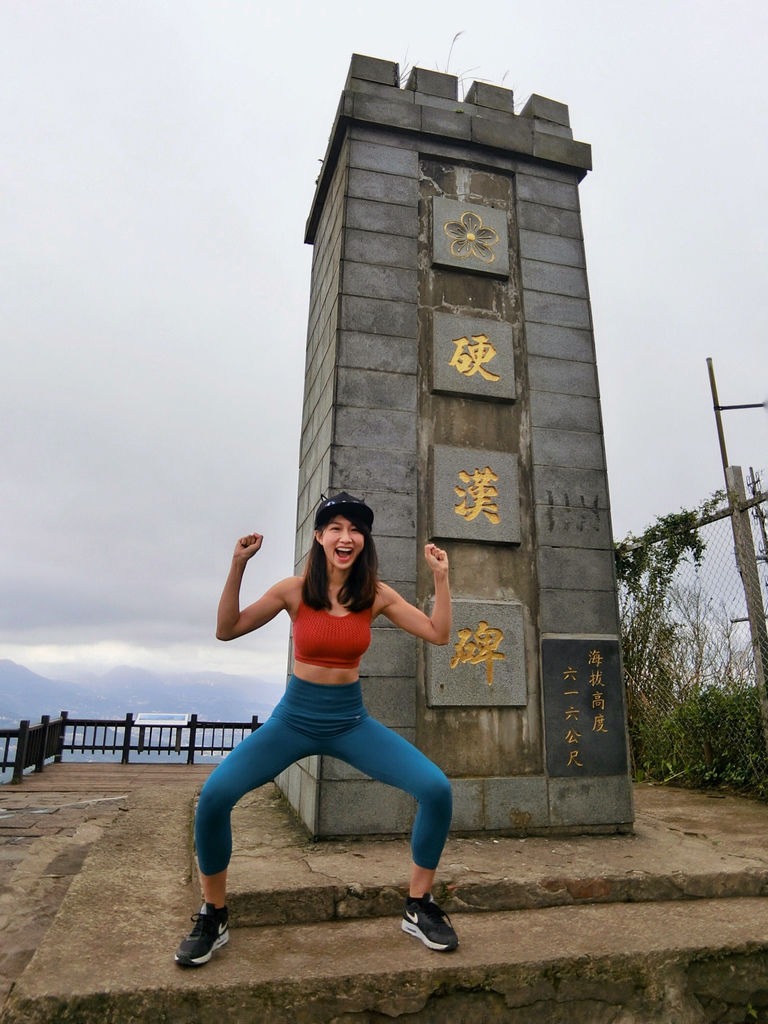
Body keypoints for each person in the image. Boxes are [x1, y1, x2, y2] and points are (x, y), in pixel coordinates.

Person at [174, 491, 458, 967]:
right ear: (320, 537)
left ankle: (419, 905)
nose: (346, 537)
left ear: (363, 540)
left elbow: (438, 633)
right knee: (215, 796)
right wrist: (238, 565)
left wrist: (441, 578)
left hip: (350, 721)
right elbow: (227, 629)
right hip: (293, 720)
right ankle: (213, 913)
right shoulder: (294, 590)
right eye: (336, 528)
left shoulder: (377, 595)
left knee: (436, 788)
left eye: (356, 529)